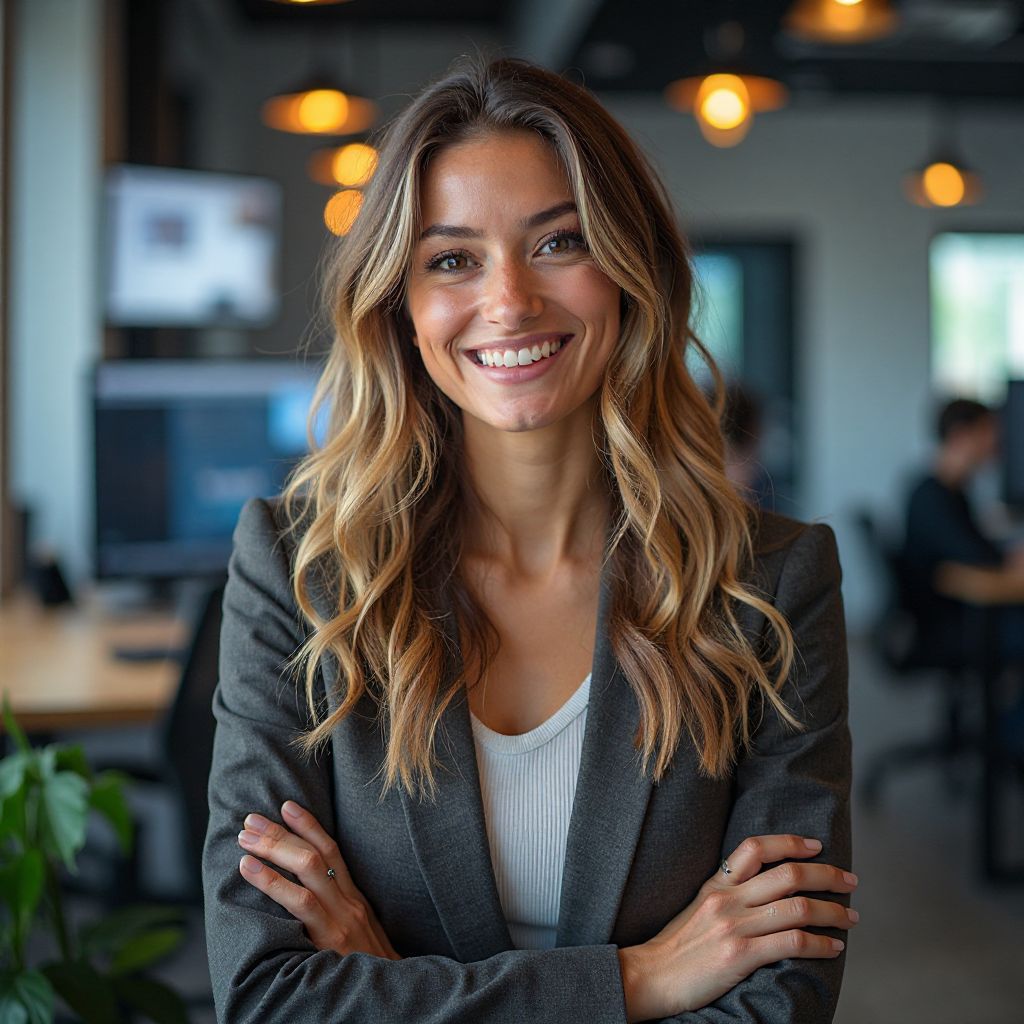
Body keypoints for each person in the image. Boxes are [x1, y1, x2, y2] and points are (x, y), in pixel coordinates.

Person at [202, 56, 855, 1023]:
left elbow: (780, 1001)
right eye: (452, 258)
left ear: (632, 272)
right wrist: (643, 979)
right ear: (402, 303)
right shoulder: (302, 574)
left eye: (559, 243)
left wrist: (395, 986)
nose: (508, 302)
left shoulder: (767, 582)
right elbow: (268, 996)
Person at [902, 397, 1024, 662]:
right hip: (946, 622)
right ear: (960, 436)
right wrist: (1007, 557)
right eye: (987, 431)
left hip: (957, 614)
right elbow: (973, 553)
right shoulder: (932, 497)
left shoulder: (952, 491)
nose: (995, 442)